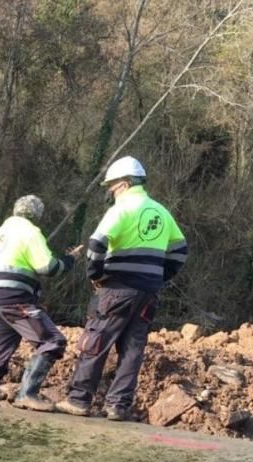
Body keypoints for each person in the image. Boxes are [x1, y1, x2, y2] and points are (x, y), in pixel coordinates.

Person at [56, 156, 188, 421]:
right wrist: (160, 276)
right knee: (132, 349)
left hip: (116, 288)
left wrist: (96, 274)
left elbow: (96, 243)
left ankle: (79, 399)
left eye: (112, 187)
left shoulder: (122, 208)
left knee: (96, 341)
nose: (110, 192)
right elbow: (180, 249)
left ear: (125, 184)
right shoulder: (161, 211)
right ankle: (118, 406)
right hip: (147, 292)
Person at [0, 195, 77, 411]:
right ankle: (27, 393)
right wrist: (68, 262)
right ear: (36, 215)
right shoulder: (31, 232)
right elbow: (47, 267)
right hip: (16, 300)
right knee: (53, 341)